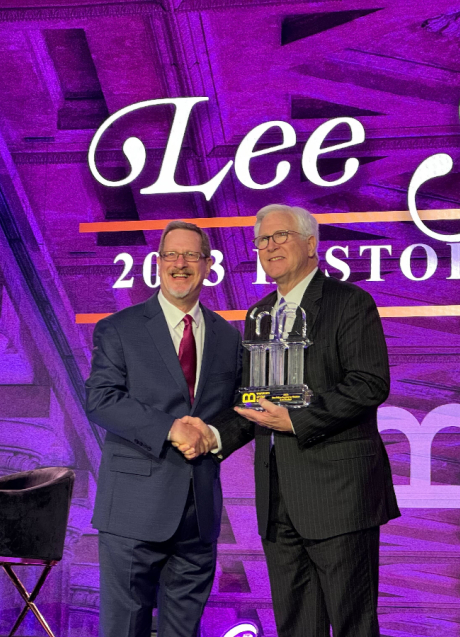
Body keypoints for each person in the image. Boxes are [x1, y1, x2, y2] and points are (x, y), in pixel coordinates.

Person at [197, 204, 400, 637]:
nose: (270, 246)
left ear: (311, 243)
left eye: (280, 236)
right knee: (296, 627)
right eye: (262, 240)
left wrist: (296, 421)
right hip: (277, 500)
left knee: (352, 626)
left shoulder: (350, 303)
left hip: (340, 498)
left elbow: (369, 384)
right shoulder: (258, 316)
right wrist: (213, 434)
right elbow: (251, 401)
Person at [85, 220, 241, 637]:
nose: (180, 264)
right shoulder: (119, 328)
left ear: (209, 265)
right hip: (134, 511)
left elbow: (241, 410)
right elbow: (101, 400)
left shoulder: (228, 337)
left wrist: (214, 435)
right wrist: (172, 428)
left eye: (191, 255)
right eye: (171, 254)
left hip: (198, 516)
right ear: (157, 264)